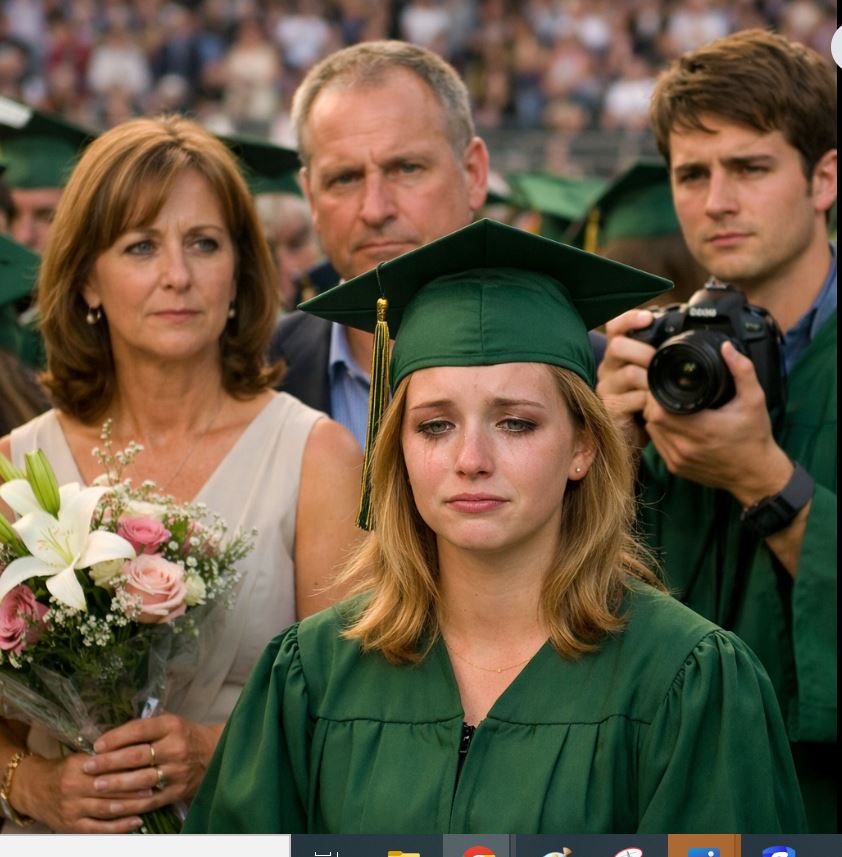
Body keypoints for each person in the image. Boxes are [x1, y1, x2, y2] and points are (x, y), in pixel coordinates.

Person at [183, 220, 805, 834]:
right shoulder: (310, 677)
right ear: (395, 447)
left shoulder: (688, 681)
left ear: (584, 445)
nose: (471, 459)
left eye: (516, 423)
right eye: (434, 425)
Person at [0, 115, 362, 834]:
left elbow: (359, 714)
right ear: (88, 282)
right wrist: (32, 783)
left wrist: (220, 753)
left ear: (239, 272)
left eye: (204, 243)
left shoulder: (316, 456)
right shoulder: (16, 467)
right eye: (141, 246)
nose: (178, 275)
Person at [595, 29, 836, 831]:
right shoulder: (656, 360)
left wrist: (766, 482)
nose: (717, 201)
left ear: (825, 177)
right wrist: (602, 455)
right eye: (692, 174)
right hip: (664, 794)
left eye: (751, 167)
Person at [268, 39, 489, 448]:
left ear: (474, 174)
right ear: (311, 197)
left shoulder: (594, 381)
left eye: (406, 168)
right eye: (345, 179)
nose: (375, 209)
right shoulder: (254, 375)